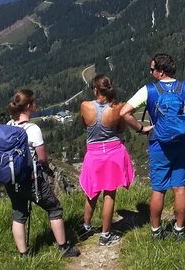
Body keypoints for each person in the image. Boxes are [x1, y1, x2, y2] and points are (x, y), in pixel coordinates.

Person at [120, 53, 185, 241]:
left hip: (159, 145)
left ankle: (156, 231)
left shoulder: (149, 90)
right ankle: (180, 230)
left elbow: (125, 112)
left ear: (160, 71)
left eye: (152, 69)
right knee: (180, 188)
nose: (150, 72)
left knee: (158, 189)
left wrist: (141, 128)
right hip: (182, 145)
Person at [4, 89, 80, 258]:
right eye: (34, 102)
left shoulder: (8, 125)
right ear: (29, 106)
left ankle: (23, 254)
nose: (36, 104)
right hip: (30, 180)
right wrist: (46, 169)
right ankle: (64, 248)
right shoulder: (33, 129)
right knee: (54, 208)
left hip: (10, 179)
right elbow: (42, 158)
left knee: (18, 213)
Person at [78, 74, 135, 246]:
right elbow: (121, 129)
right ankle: (105, 235)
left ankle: (86, 226)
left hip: (94, 153)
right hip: (113, 153)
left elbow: (84, 125)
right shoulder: (118, 107)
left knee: (91, 191)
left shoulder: (85, 106)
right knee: (110, 193)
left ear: (96, 90)